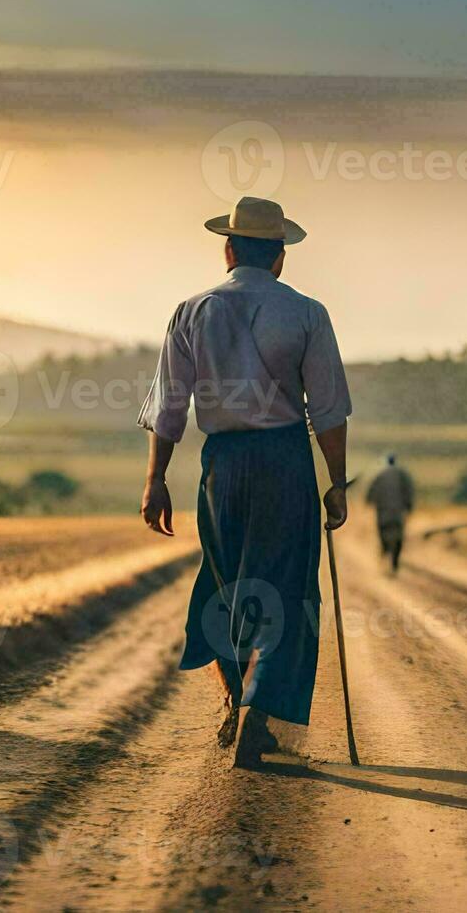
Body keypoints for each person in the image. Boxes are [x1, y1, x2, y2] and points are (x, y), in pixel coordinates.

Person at [137, 196, 352, 768]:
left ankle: (236, 699)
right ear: (280, 257)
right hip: (285, 463)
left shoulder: (191, 310)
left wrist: (156, 479)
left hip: (222, 467)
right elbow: (327, 411)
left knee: (223, 586)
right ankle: (258, 709)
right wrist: (337, 482)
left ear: (229, 250)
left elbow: (169, 407)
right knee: (287, 591)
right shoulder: (307, 313)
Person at [366, 453, 414, 573]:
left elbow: (370, 494)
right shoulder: (402, 475)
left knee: (383, 534)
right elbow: (409, 491)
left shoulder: (380, 476)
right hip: (398, 513)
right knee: (398, 537)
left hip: (383, 514)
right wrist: (409, 506)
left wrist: (370, 501)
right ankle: (395, 563)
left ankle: (385, 553)